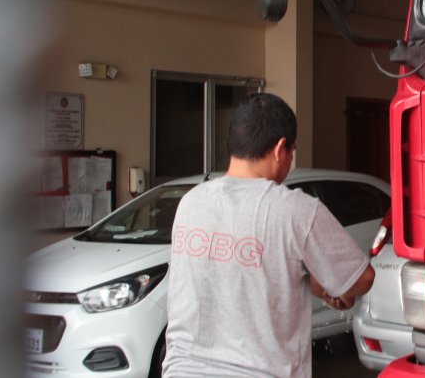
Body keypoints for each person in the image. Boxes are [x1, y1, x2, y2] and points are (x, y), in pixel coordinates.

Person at [161, 93, 375, 377]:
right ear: (280, 148)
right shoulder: (295, 209)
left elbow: (254, 267)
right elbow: (363, 279)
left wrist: (320, 287)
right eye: (292, 150)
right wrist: (337, 288)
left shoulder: (191, 203)